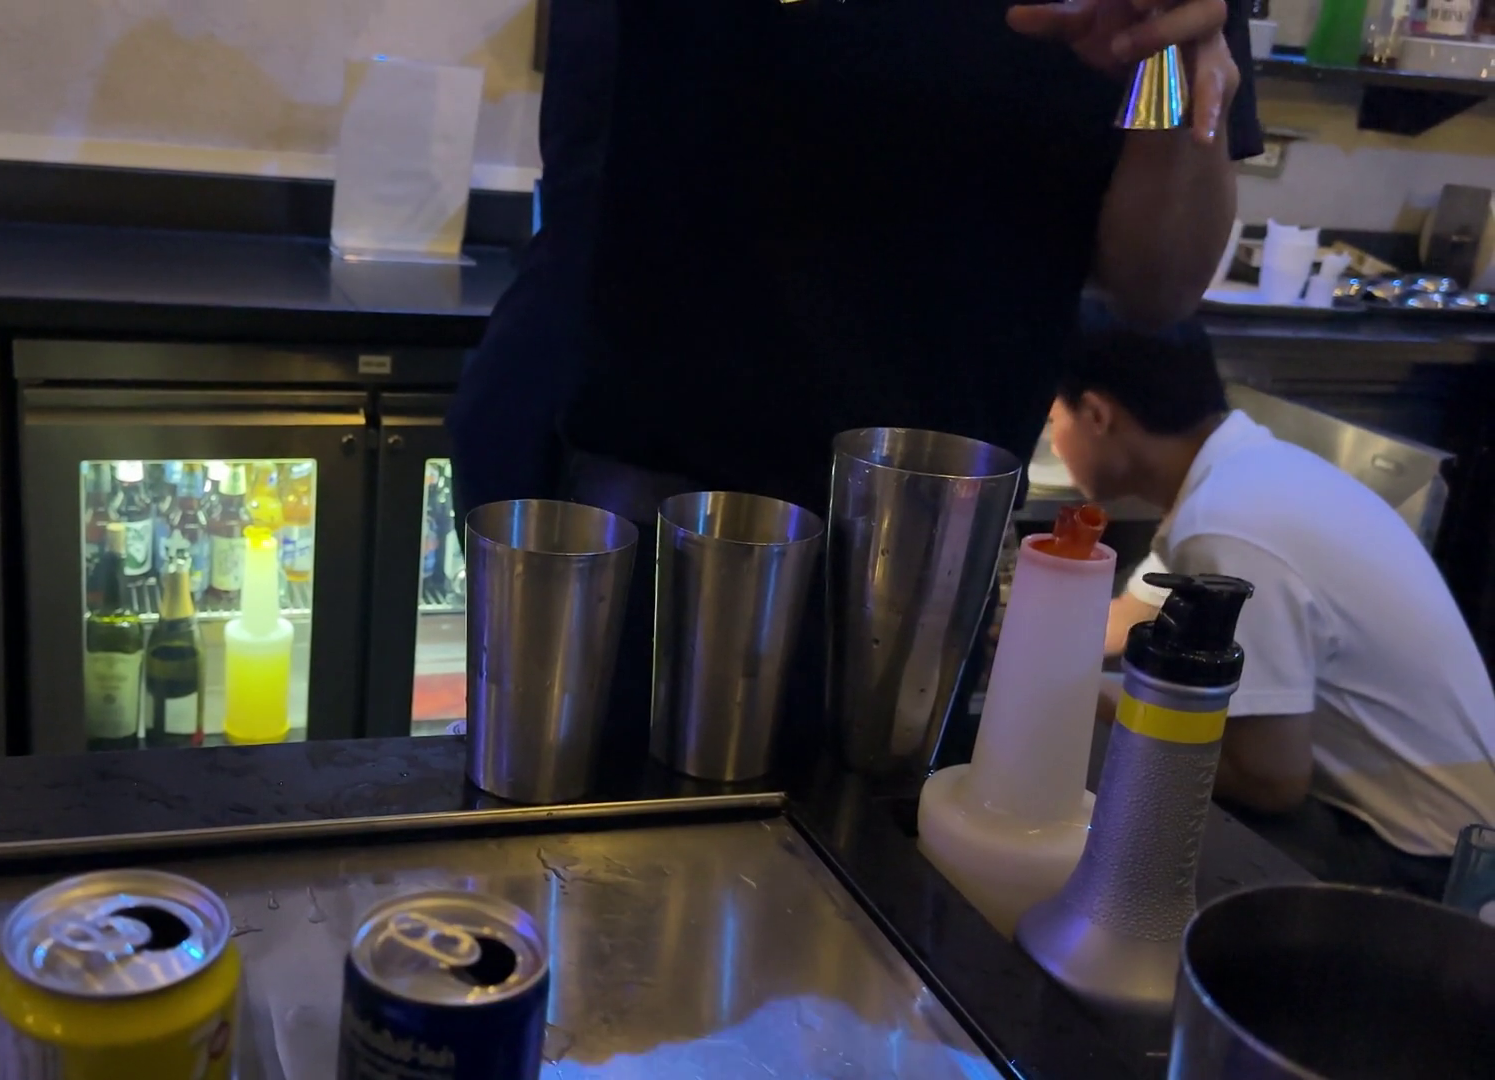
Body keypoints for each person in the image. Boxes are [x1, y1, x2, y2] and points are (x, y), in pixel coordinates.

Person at [451, 0, 1266, 777]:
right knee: (606, 851)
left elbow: (1157, 287)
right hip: (646, 509)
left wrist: (1163, 71)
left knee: (868, 862)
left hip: (934, 549)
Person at [1049, 302, 1495, 897]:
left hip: (1423, 859)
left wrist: (1083, 695)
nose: (1052, 442)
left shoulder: (1228, 525)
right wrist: (1031, 631)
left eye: (1052, 419)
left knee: (1115, 783)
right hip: (1439, 826)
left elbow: (1270, 781)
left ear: (1097, 415)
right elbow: (1130, 614)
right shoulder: (1246, 471)